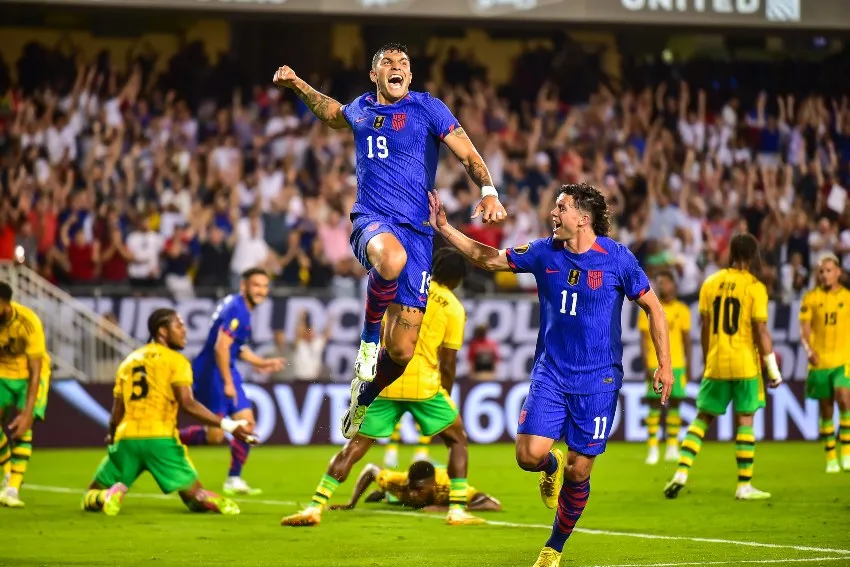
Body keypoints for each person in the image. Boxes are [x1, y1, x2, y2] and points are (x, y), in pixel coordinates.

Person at [428, 183, 674, 567]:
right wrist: (445, 228)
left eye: (561, 208)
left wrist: (666, 364)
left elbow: (654, 309)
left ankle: (554, 547)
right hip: (552, 374)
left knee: (581, 470)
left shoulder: (618, 259)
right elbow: (489, 259)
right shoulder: (544, 253)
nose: (553, 215)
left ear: (583, 218)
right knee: (528, 456)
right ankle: (549, 467)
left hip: (599, 381)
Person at [273, 42, 508, 439]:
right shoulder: (361, 107)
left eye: (403, 63)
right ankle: (367, 341)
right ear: (374, 75)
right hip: (373, 221)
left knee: (401, 352)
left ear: (410, 76)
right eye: (387, 62)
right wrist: (298, 84)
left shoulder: (428, 107)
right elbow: (331, 112)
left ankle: (364, 395)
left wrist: (488, 190)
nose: (396, 67)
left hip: (419, 233)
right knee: (391, 259)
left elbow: (467, 153)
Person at [280, 248, 485, 527]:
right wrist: (444, 392)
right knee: (457, 440)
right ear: (459, 279)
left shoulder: (407, 287)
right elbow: (448, 362)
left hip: (386, 381)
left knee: (354, 448)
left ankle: (315, 506)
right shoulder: (454, 308)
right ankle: (457, 511)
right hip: (424, 386)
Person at [82, 309, 256, 516]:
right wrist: (228, 425)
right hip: (161, 439)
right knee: (194, 496)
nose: (184, 331)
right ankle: (210, 500)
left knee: (90, 495)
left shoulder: (128, 362)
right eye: (179, 326)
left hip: (127, 439)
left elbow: (117, 411)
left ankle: (107, 496)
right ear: (162, 332)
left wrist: (112, 435)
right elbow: (188, 404)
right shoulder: (176, 361)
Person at [664, 233, 783, 501]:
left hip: (716, 361)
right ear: (753, 256)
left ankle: (681, 472)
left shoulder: (710, 283)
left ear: (731, 253)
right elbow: (760, 330)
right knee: (745, 420)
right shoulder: (755, 287)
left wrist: (708, 359)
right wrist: (773, 370)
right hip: (744, 364)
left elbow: (705, 327)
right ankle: (744, 485)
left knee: (702, 418)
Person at [177, 268, 284, 496]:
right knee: (215, 435)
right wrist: (227, 382)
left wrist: (262, 363)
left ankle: (234, 479)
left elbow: (236, 347)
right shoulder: (238, 310)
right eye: (256, 285)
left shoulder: (237, 305)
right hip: (213, 372)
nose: (261, 291)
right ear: (243, 286)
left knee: (246, 424)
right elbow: (221, 347)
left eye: (265, 286)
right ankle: (168, 440)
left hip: (223, 369)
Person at [0, 282, 51, 508]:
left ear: (5, 304)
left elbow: (36, 370)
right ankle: (8, 470)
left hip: (29, 374)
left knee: (24, 424)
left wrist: (28, 411)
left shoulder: (28, 323)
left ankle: (13, 488)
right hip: (2, 371)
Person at [798, 254, 850, 473]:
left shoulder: (848, 297)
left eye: (829, 270)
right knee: (826, 410)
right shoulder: (810, 298)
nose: (825, 274)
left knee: (844, 398)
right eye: (821, 271)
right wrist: (809, 350)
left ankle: (846, 453)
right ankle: (831, 457)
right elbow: (804, 329)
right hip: (820, 362)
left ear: (838, 272)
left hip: (843, 359)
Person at [637, 271, 691, 465]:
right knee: (654, 405)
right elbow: (643, 341)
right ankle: (652, 448)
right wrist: (645, 365)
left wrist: (689, 366)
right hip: (654, 363)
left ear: (674, 285)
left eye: (665, 282)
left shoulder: (682, 310)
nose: (661, 286)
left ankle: (672, 446)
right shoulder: (649, 309)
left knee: (675, 403)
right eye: (658, 283)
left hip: (677, 364)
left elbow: (686, 341)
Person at [329, 461, 502, 512]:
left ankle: (389, 497)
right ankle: (388, 495)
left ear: (432, 485)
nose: (412, 493)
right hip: (412, 488)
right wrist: (351, 503)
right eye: (411, 487)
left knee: (418, 502)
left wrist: (446, 509)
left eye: (418, 489)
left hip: (439, 479)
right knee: (410, 498)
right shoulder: (401, 481)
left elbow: (492, 504)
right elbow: (370, 469)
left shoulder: (448, 485)